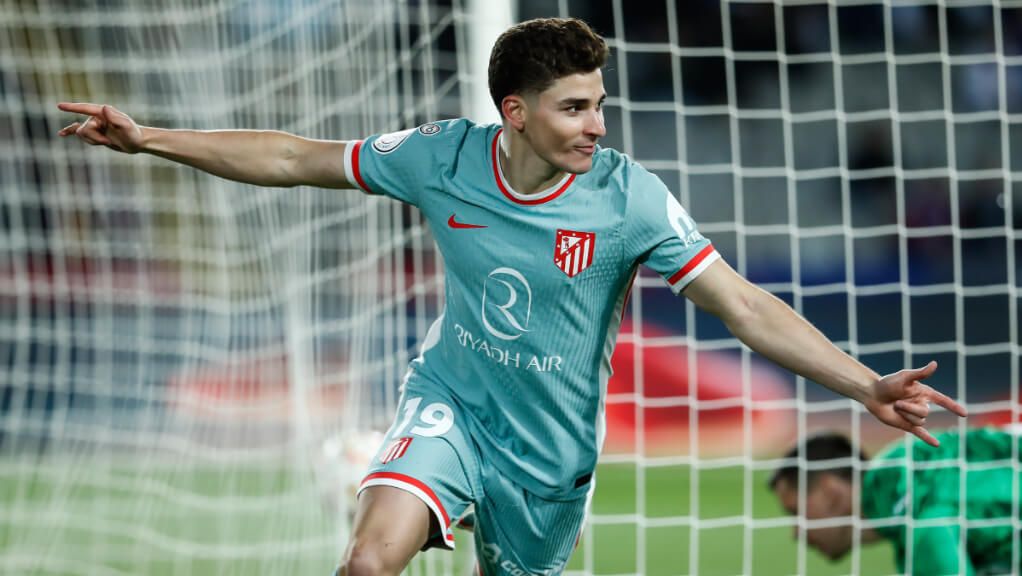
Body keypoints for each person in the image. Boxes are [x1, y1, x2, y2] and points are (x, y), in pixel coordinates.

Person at [58, 17, 967, 576]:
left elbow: (742, 306)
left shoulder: (629, 198)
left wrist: (863, 385)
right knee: (369, 558)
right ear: (517, 112)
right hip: (450, 400)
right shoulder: (442, 157)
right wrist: (154, 141)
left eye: (600, 103)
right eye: (575, 107)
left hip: (550, 452)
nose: (597, 125)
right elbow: (298, 159)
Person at [771, 429, 1021, 575]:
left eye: (796, 511)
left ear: (830, 490)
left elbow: (932, 533)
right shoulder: (901, 475)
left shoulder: (904, 502)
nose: (796, 532)